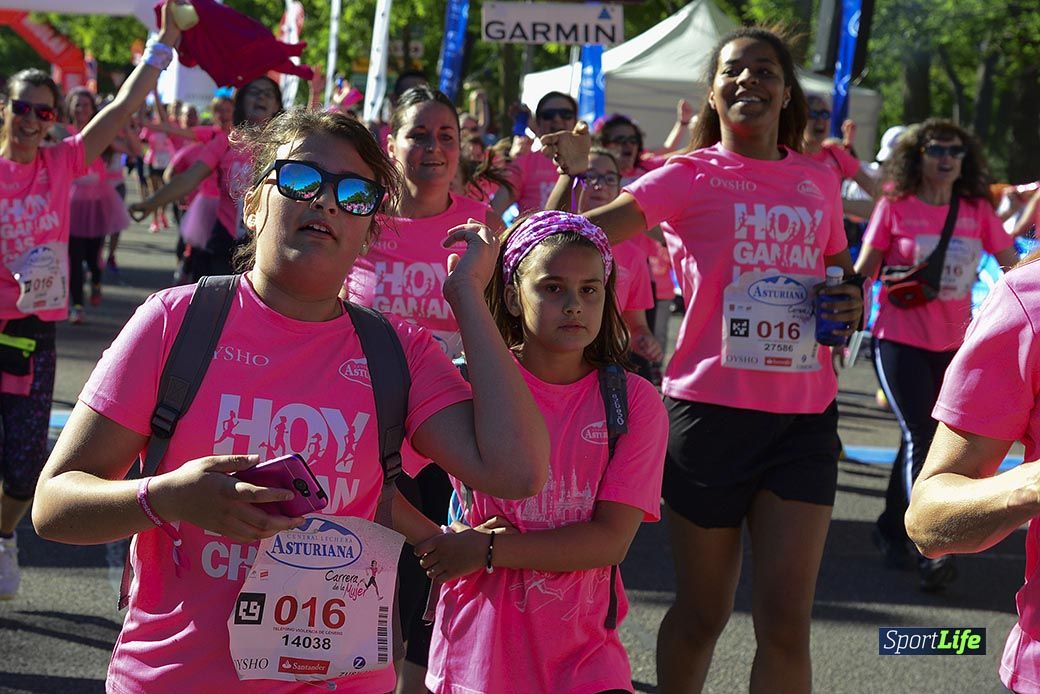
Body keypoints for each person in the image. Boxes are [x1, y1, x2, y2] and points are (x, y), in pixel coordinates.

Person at [32, 108, 550, 692]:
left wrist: (469, 301)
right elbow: (53, 506)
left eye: (355, 194)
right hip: (176, 678)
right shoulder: (177, 321)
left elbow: (518, 471)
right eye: (302, 180)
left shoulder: (398, 351)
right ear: (253, 205)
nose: (327, 202)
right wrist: (170, 497)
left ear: (368, 228)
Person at [542, 27, 864, 693]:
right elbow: (577, 238)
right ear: (714, 94)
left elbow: (837, 272)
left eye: (764, 70)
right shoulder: (688, 176)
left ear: (785, 89)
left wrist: (849, 304)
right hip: (709, 415)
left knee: (785, 620)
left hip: (804, 421)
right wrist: (572, 176)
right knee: (703, 612)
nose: (749, 80)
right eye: (733, 71)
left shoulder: (818, 179)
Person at [418, 210, 668, 694]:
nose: (574, 304)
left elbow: (610, 541)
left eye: (590, 289)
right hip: (477, 656)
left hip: (587, 662)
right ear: (513, 296)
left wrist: (486, 550)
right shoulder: (467, 385)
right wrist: (437, 540)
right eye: (552, 287)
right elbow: (376, 476)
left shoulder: (633, 401)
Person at [0, 3, 186, 600]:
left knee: (24, 466)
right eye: (21, 108)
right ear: (5, 110)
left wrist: (164, 43)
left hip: (34, 335)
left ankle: (3, 537)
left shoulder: (60, 163)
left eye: (43, 111)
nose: (31, 120)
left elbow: (123, 108)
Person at [346, 85, 503, 693]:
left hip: (448, 434)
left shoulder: (481, 227)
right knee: (362, 584)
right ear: (392, 144)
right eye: (418, 134)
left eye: (446, 136)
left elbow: (502, 327)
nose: (432, 148)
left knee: (427, 585)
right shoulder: (360, 216)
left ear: (461, 147)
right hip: (363, 433)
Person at [853, 118, 1018, 590]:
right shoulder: (895, 205)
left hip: (953, 349)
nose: (945, 158)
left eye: (954, 150)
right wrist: (838, 310)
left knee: (918, 439)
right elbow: (863, 269)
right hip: (897, 339)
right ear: (917, 155)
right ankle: (932, 550)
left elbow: (1012, 267)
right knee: (921, 435)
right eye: (934, 149)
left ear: (964, 161)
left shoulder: (975, 210)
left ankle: (890, 528)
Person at [905, 251, 1040, 692]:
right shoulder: (1029, 299)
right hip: (905, 335)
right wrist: (1030, 484)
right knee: (911, 436)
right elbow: (928, 518)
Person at [131, 76, 284, 280]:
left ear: (276, 105)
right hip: (224, 242)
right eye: (254, 92)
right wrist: (151, 203)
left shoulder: (285, 147)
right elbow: (188, 178)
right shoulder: (225, 142)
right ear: (242, 101)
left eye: (268, 94)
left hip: (267, 245)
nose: (261, 97)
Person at [62, 88, 132, 324]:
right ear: (70, 108)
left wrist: (130, 126)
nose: (81, 109)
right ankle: (77, 306)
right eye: (77, 105)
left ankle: (97, 281)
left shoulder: (102, 135)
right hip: (71, 203)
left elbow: (134, 151)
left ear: (93, 109)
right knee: (74, 256)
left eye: (86, 105)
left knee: (93, 257)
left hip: (98, 202)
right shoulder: (63, 134)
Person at [492, 92, 578, 217]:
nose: (557, 119)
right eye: (548, 115)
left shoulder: (593, 162)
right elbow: (494, 211)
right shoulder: (524, 162)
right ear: (538, 123)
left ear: (576, 121)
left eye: (566, 114)